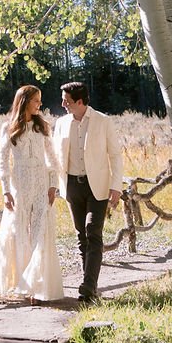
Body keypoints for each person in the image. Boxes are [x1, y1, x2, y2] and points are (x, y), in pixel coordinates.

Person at [0, 84, 64, 303]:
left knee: (40, 233)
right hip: (19, 185)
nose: (40, 104)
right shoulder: (8, 128)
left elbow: (52, 158)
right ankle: (24, 287)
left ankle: (38, 288)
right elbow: (2, 160)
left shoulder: (43, 126)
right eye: (36, 101)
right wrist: (5, 191)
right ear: (24, 102)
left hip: (41, 185)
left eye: (40, 100)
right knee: (21, 234)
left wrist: (53, 185)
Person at [52, 81, 122, 303]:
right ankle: (88, 285)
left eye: (67, 100)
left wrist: (116, 186)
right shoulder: (61, 124)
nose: (63, 104)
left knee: (93, 231)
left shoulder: (103, 121)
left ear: (79, 101)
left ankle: (89, 285)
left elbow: (115, 155)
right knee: (81, 235)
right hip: (72, 185)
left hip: (98, 186)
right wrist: (53, 185)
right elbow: (55, 159)